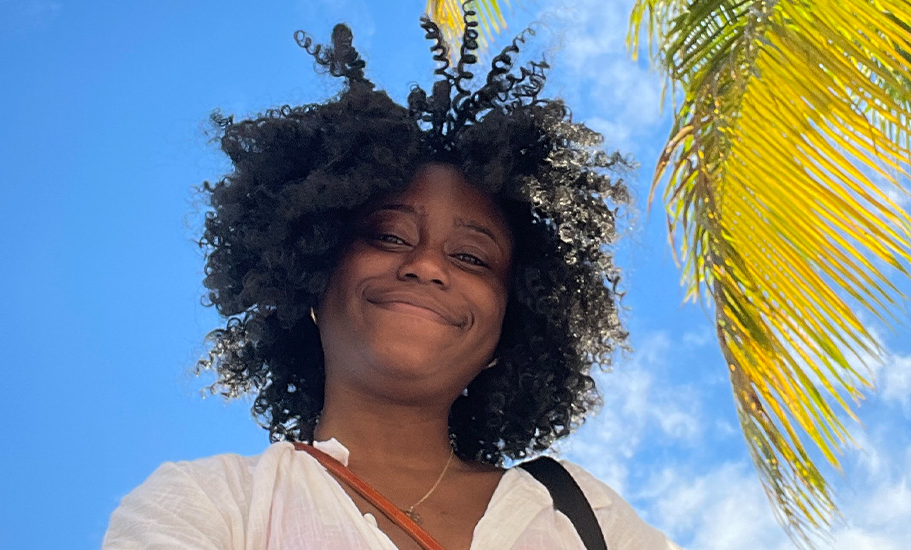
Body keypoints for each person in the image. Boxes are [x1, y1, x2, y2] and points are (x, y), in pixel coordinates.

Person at [103, 9, 682, 550]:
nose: (427, 265)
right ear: (311, 276)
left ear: (509, 330)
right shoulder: (211, 502)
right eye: (388, 237)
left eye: (473, 258)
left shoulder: (584, 516)